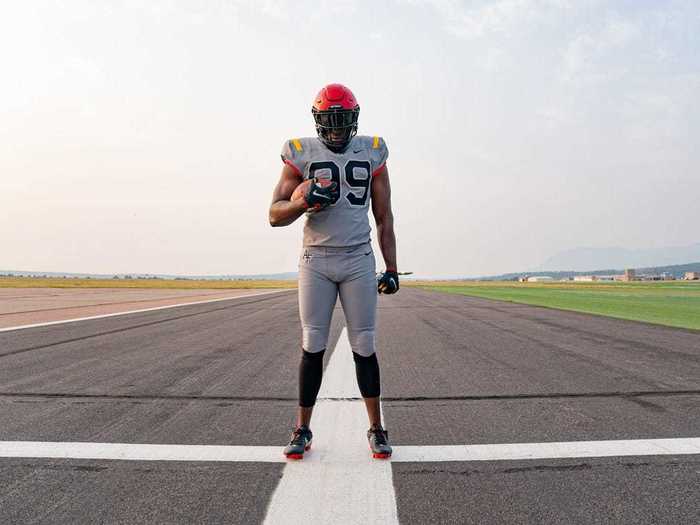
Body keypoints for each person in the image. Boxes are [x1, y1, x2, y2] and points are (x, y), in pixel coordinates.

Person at [269, 83, 399, 459]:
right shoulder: (300, 153)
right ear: (318, 121)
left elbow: (384, 215)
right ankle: (302, 428)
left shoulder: (372, 152)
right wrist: (304, 201)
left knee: (365, 345)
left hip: (358, 257)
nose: (338, 129)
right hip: (317, 259)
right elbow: (274, 214)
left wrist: (391, 267)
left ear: (354, 120)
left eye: (343, 121)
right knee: (312, 344)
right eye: (331, 122)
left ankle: (376, 428)